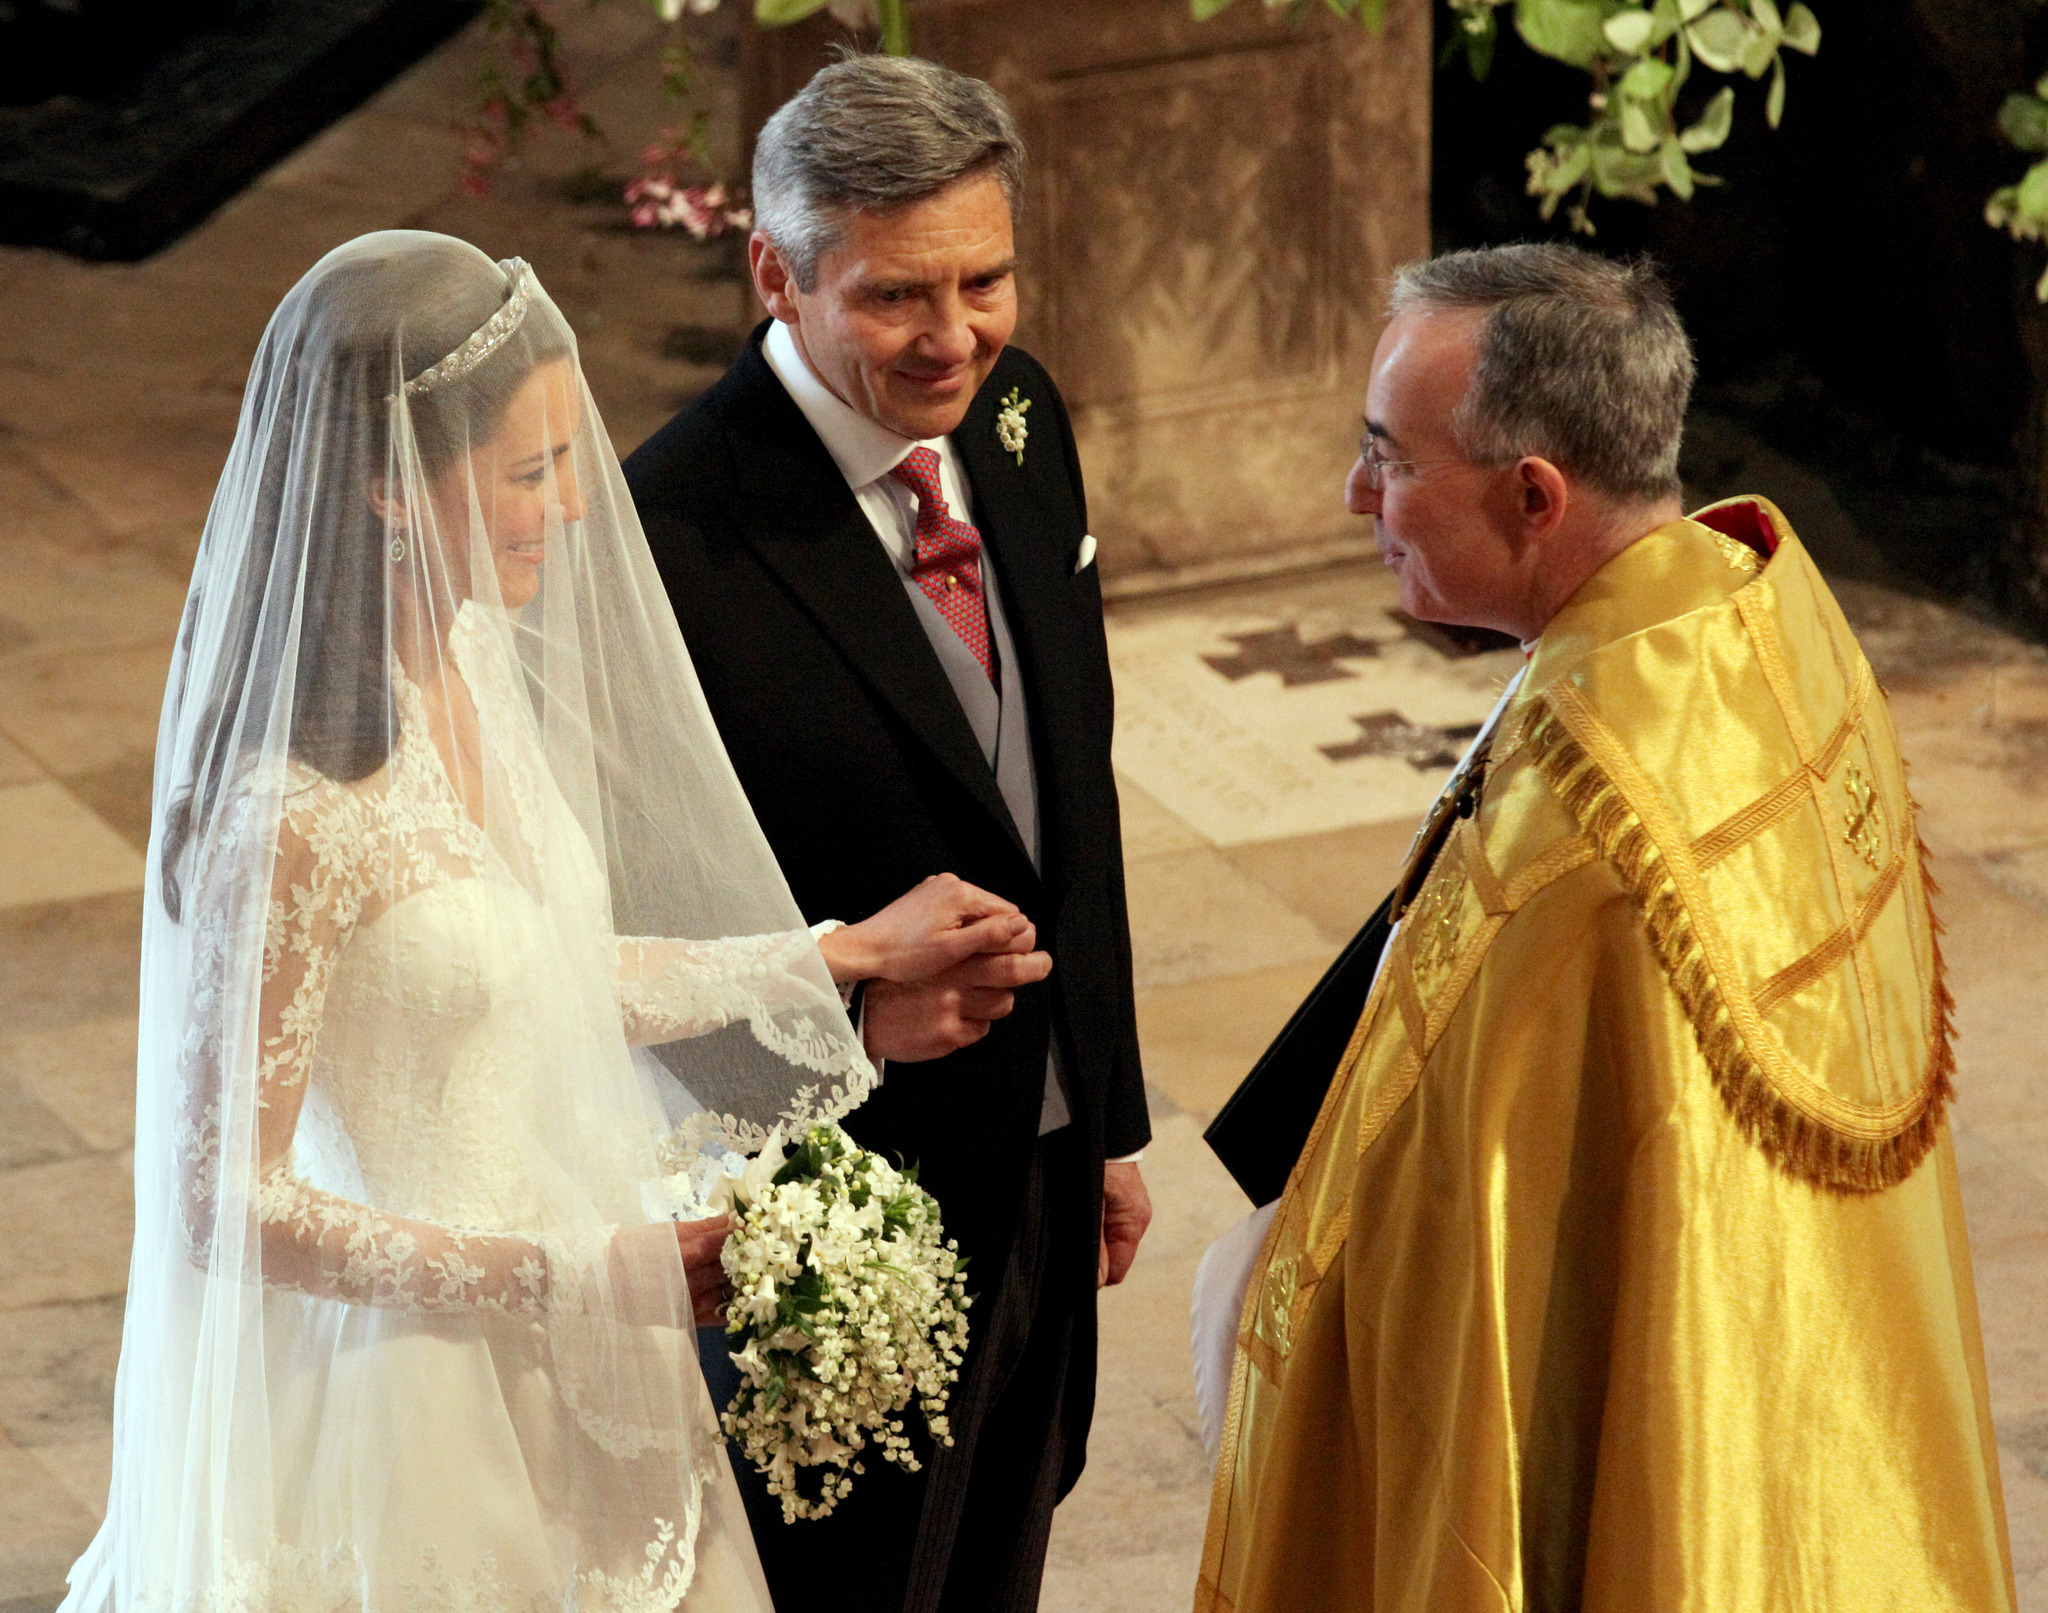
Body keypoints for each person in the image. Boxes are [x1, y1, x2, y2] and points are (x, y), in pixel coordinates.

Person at [61, 230, 1037, 1612]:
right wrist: (587, 1271)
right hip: (406, 1404)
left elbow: (533, 970)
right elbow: (224, 1201)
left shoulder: (462, 654)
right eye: (530, 471)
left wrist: (830, 953)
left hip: (584, 1345)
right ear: (394, 489)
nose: (574, 507)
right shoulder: (286, 820)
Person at [1194, 243, 2017, 1612]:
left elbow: (1437, 1238)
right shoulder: (1750, 623)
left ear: (1533, 495)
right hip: (1818, 1398)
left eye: (1389, 458)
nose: (1355, 498)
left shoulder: (1577, 846)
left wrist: (1277, 1305)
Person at [623, 54, 1153, 1613]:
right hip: (836, 1219)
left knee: (1005, 1549)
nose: (959, 334)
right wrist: (846, 1014)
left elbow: (1076, 782)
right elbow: (617, 942)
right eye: (900, 297)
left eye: (987, 278)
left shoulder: (1020, 416)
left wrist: (1102, 1104)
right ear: (777, 275)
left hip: (1045, 1162)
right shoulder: (665, 536)